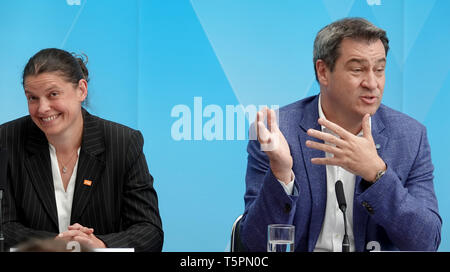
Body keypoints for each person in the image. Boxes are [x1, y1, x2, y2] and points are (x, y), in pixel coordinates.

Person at [239, 18, 441, 252]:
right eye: (358, 69)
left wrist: (377, 174)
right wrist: (281, 173)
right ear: (323, 71)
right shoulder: (278, 132)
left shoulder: (410, 137)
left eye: (379, 69)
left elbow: (426, 242)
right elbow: (254, 245)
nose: (372, 83)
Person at [0, 48, 163, 251]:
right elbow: (3, 226)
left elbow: (149, 230)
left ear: (81, 90)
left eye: (53, 94)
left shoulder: (123, 142)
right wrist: (54, 245)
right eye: (32, 98)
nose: (42, 108)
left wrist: (101, 245)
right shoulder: (6, 140)